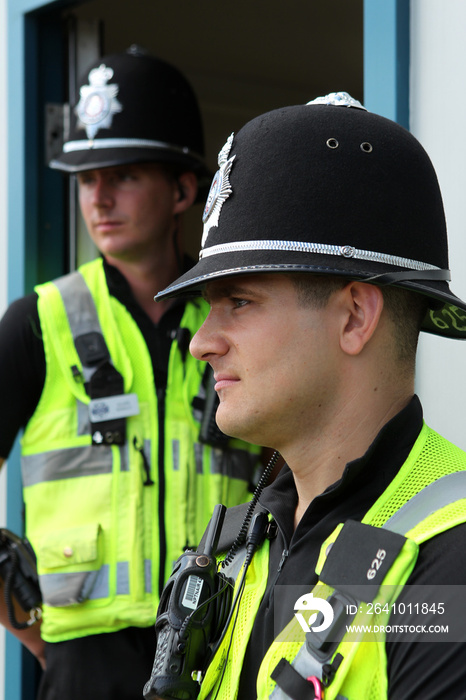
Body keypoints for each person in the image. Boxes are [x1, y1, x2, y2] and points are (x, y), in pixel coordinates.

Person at [147, 92, 466, 700]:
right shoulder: (247, 544)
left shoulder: (450, 569)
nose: (202, 343)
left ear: (353, 318)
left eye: (239, 302)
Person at [0, 47, 261, 700]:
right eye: (87, 180)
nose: (99, 197)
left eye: (122, 175)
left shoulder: (239, 318)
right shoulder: (37, 321)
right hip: (84, 665)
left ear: (183, 189)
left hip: (224, 647)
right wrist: (30, 625)